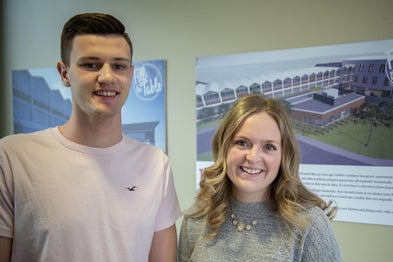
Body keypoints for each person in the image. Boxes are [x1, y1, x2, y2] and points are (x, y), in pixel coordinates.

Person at [0, 13, 181, 261]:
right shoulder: (13, 157)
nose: (107, 76)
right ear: (64, 73)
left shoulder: (156, 164)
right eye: (91, 64)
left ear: (130, 73)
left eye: (119, 66)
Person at [178, 94, 342, 261]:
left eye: (269, 147)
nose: (253, 157)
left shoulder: (310, 224)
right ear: (224, 147)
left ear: (283, 156)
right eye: (242, 143)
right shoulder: (197, 216)